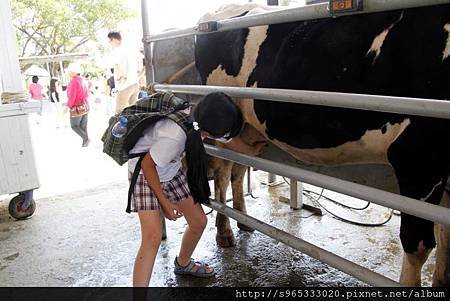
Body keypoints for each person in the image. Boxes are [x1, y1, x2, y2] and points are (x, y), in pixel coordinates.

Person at [129, 91, 266, 287]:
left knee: (198, 221)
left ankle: (183, 263)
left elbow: (231, 140)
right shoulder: (174, 137)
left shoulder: (202, 120)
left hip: (170, 169)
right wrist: (165, 202)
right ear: (210, 133)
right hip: (144, 174)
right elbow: (148, 166)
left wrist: (252, 150)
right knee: (152, 237)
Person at [107, 31, 143, 113]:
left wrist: (119, 78)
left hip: (124, 85)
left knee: (119, 112)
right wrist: (140, 75)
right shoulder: (131, 49)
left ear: (115, 39)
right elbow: (142, 62)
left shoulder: (117, 50)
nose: (109, 43)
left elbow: (117, 66)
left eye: (110, 40)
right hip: (135, 83)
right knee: (132, 111)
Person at [64, 63, 90, 147]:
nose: (68, 73)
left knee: (74, 126)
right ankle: (85, 143)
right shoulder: (83, 80)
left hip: (77, 107)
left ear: (73, 72)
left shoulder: (74, 81)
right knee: (83, 126)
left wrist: (67, 106)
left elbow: (72, 96)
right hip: (85, 106)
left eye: (69, 72)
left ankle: (86, 139)